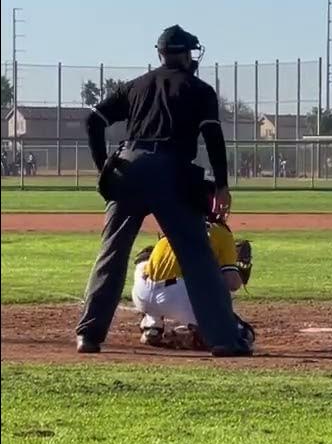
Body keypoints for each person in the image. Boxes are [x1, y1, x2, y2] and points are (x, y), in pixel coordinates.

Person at [74, 25, 250, 357]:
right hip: (170, 170)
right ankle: (225, 340)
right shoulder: (200, 90)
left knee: (111, 255)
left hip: (127, 168)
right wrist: (223, 185)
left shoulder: (136, 86)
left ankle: (89, 336)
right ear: (187, 55)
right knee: (197, 257)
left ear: (159, 54)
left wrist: (104, 167)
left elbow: (92, 121)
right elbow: (213, 139)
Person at [132, 181, 255, 349]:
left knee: (146, 258)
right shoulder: (220, 232)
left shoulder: (173, 224)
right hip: (178, 298)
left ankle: (152, 325)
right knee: (242, 334)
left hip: (141, 294)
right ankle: (199, 332)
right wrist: (238, 271)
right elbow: (232, 284)